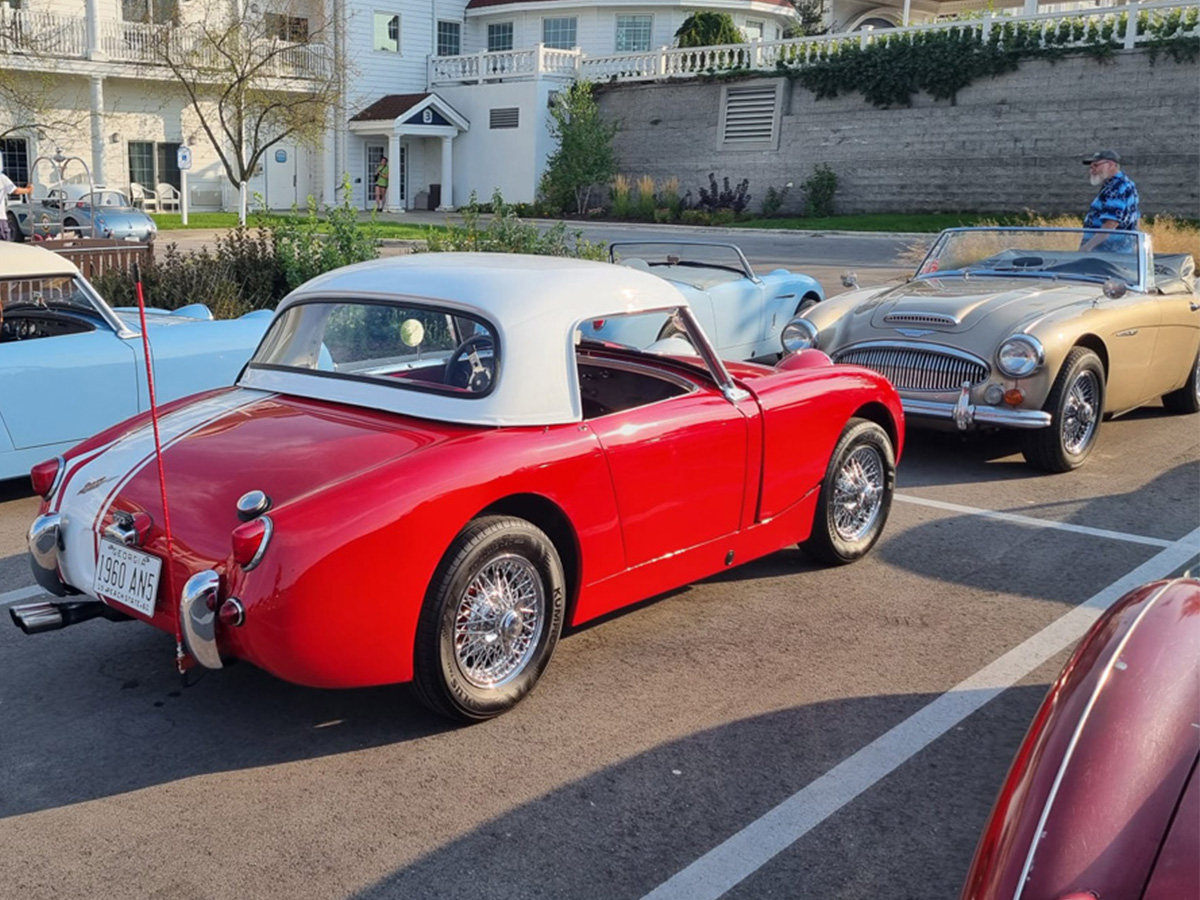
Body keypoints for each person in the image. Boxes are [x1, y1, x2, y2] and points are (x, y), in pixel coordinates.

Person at [1080, 149, 1139, 252]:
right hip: (1121, 252)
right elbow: (1136, 218)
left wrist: (1087, 248)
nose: (1092, 170)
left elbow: (1110, 223)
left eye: (1096, 165)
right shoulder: (1125, 184)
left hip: (1106, 255)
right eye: (1090, 167)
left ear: (1111, 165)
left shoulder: (1116, 188)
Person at [0, 161, 34, 242]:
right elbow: (15, 191)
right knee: (5, 244)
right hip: (0, 218)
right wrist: (28, 189)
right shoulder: (1, 178)